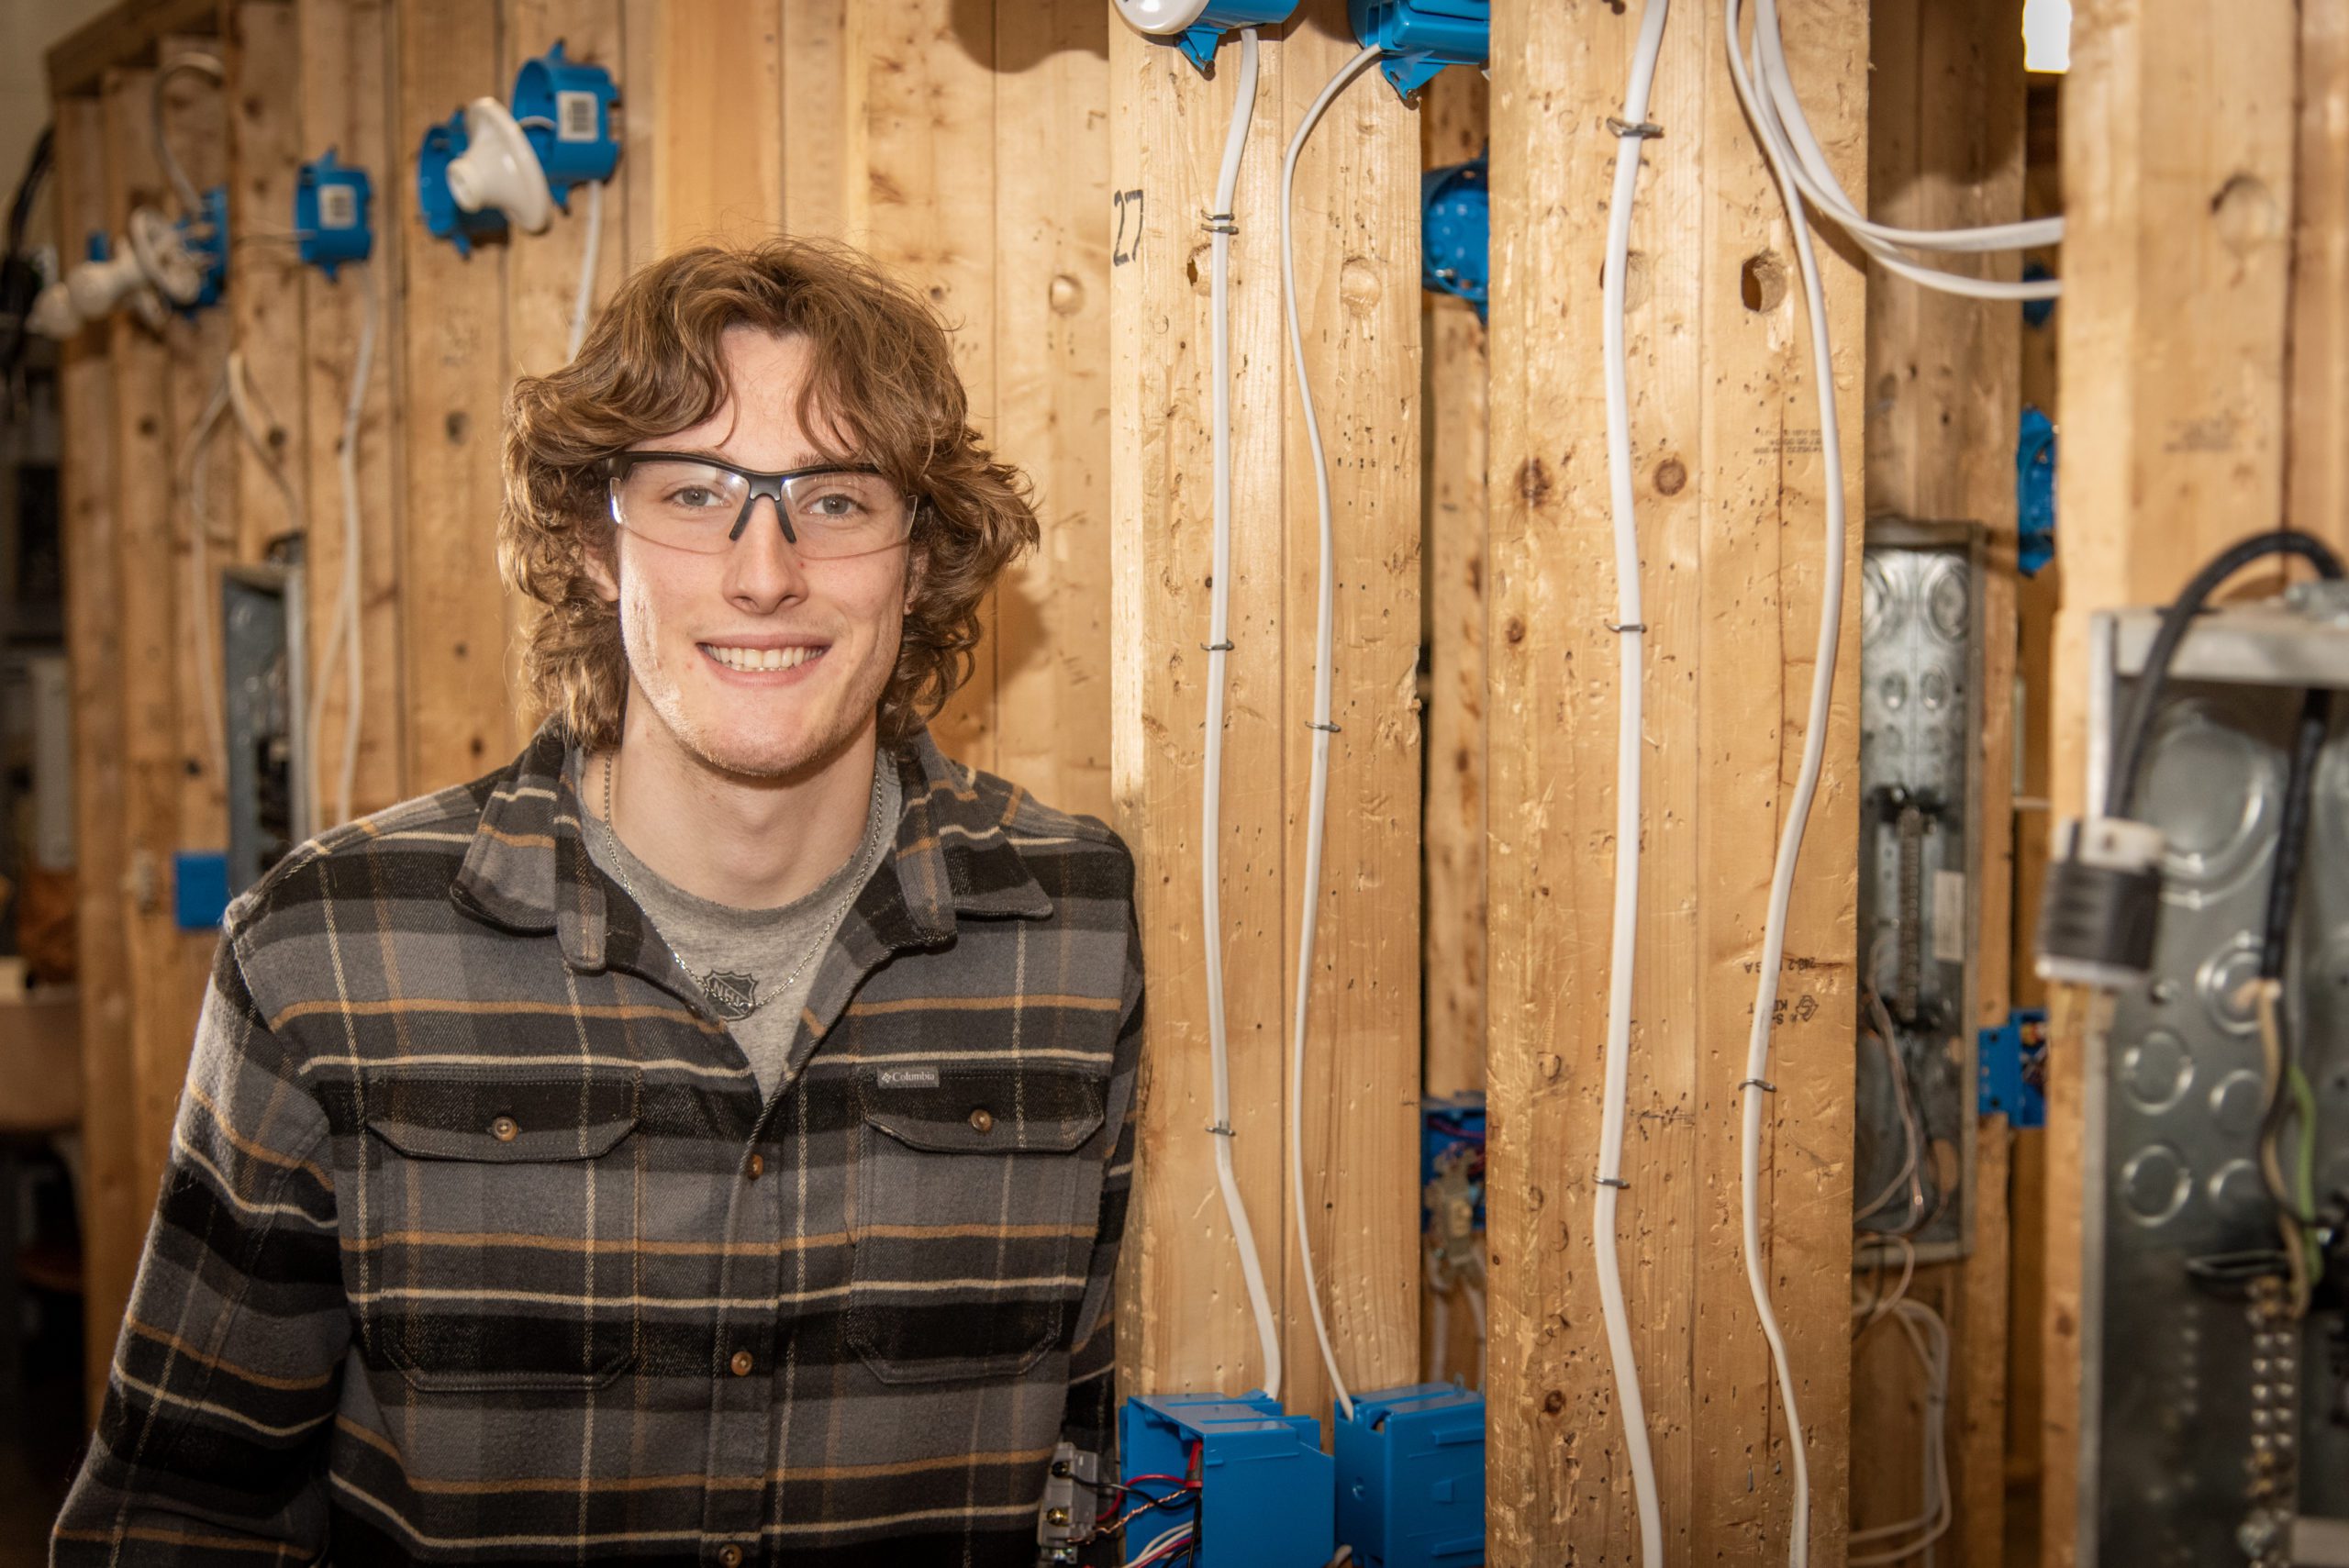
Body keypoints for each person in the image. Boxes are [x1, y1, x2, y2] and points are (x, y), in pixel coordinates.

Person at [53, 239, 1141, 1567]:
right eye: (696, 493)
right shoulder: (330, 950)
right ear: (591, 543)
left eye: (838, 500)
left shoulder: (1076, 930)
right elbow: (178, 1521)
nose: (765, 571)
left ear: (917, 561)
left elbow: (1098, 1478)